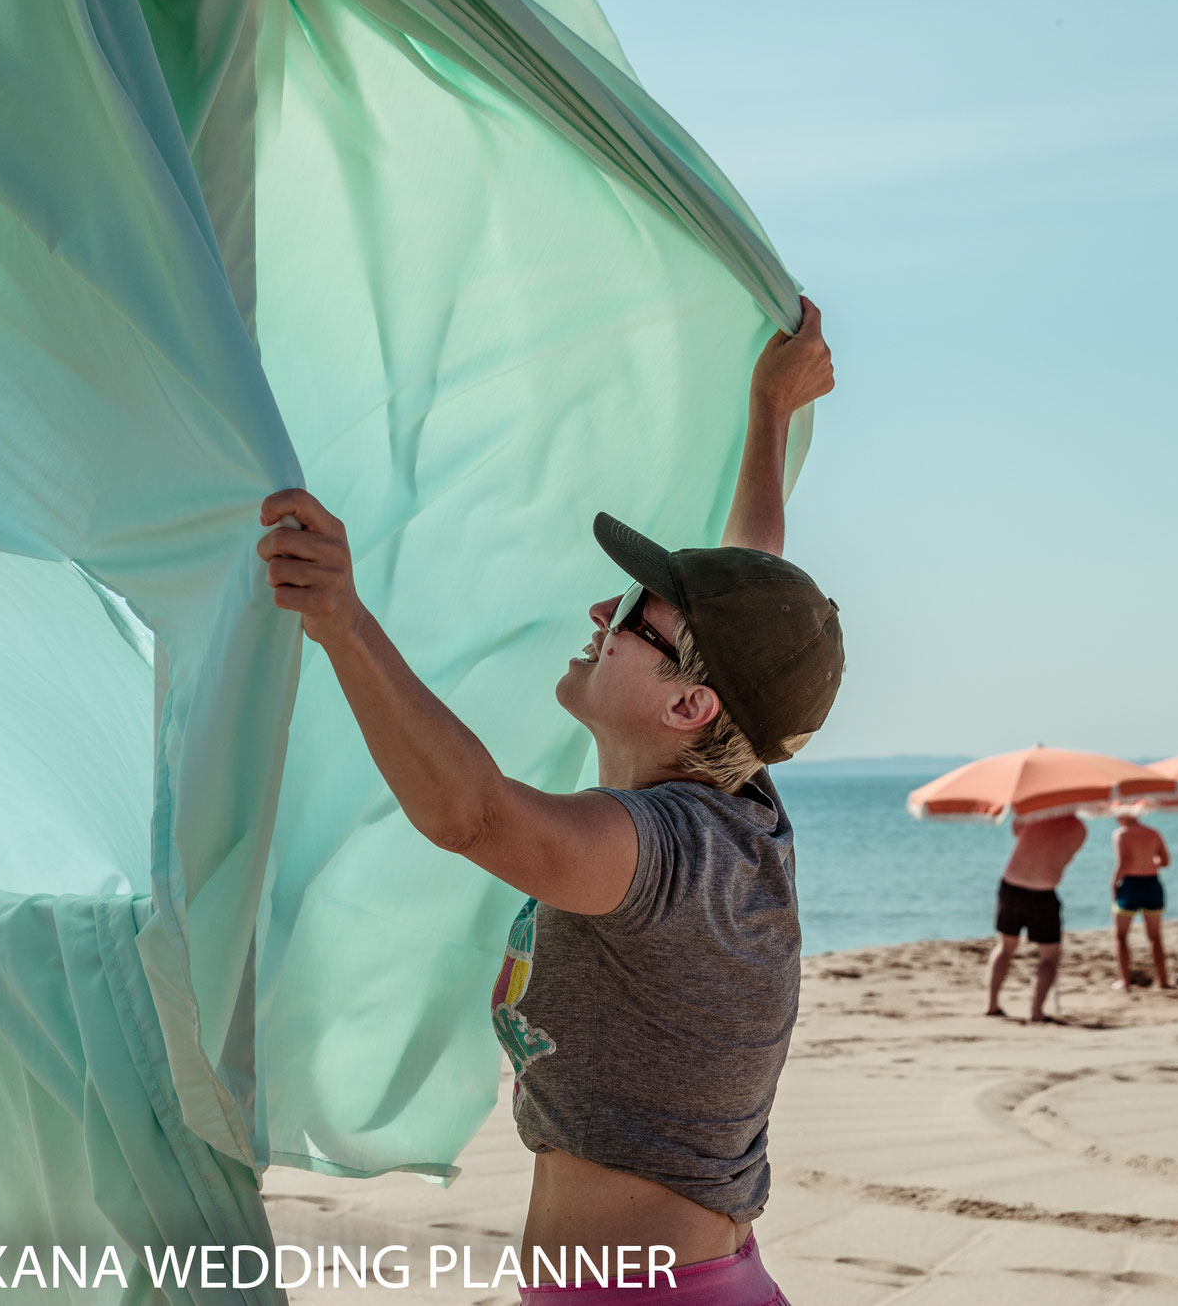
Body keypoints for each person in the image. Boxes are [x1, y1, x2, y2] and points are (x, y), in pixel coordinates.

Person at [257, 299, 839, 1304]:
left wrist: (342, 624)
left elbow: (470, 815)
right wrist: (766, 413)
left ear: (688, 705)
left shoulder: (662, 852)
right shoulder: (738, 799)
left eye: (627, 617)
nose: (595, 614)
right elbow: (760, 579)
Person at [985, 812, 1086, 1021]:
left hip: (1012, 884)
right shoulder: (1078, 829)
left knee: (1005, 947)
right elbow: (1063, 855)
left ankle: (992, 1004)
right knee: (1048, 956)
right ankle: (1036, 1011)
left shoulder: (1034, 815)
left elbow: (1017, 831)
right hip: (1042, 890)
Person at [1109, 811, 1171, 990]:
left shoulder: (1121, 833)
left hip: (1131, 884)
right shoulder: (1153, 832)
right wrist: (1147, 863)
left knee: (1120, 936)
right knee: (1155, 936)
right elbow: (1165, 861)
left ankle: (1125, 981)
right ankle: (1163, 981)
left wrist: (1114, 883)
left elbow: (1124, 862)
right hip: (1152, 883)